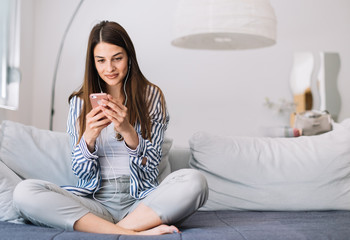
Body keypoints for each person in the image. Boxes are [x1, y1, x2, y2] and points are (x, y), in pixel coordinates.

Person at [13, 20, 208, 236]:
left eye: (117, 59)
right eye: (101, 60)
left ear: (129, 57)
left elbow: (151, 167)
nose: (110, 68)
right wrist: (89, 138)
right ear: (92, 62)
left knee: (195, 181)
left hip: (142, 201)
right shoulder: (79, 102)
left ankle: (109, 231)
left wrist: (128, 132)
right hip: (96, 202)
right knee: (24, 192)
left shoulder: (151, 96)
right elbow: (80, 172)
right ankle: (133, 232)